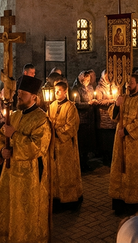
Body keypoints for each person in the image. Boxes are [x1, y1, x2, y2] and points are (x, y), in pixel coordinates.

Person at [0, 75, 52, 243]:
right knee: (9, 209)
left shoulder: (42, 119)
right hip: (10, 174)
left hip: (29, 177)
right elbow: (1, 137)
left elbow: (37, 148)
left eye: (23, 93)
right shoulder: (14, 115)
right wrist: (2, 151)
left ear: (34, 97)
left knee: (26, 212)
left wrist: (15, 135)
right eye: (19, 92)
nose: (19, 96)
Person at [109, 73, 138, 214]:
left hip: (134, 143)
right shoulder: (123, 98)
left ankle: (134, 203)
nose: (128, 85)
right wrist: (116, 105)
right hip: (120, 141)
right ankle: (120, 200)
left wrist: (127, 131)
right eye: (128, 83)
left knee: (133, 171)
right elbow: (113, 116)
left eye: (131, 83)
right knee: (120, 169)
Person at [49, 79, 83, 209]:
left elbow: (72, 126)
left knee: (66, 173)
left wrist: (56, 132)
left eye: (59, 91)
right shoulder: (51, 106)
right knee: (55, 173)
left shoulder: (70, 107)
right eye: (55, 91)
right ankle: (56, 197)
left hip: (66, 146)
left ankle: (69, 199)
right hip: (53, 146)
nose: (56, 93)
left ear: (65, 92)